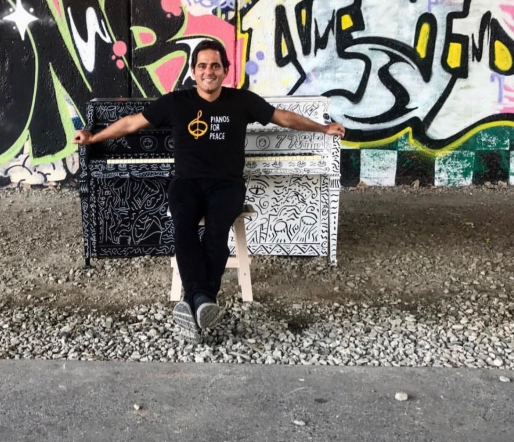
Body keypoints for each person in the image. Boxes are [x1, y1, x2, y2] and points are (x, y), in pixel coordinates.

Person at [73, 39, 345, 340]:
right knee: (183, 229)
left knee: (217, 231)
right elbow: (129, 124)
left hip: (226, 185)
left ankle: (194, 300)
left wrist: (323, 128)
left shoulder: (242, 100)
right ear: (193, 71)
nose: (208, 71)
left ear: (225, 70)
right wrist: (93, 138)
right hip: (186, 183)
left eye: (215, 65)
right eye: (202, 65)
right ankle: (203, 300)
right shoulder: (176, 102)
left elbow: (283, 117)